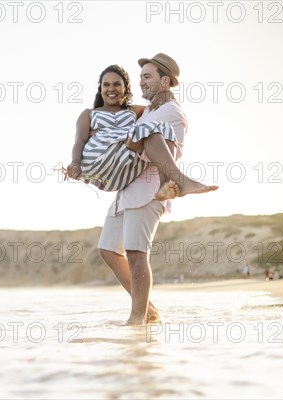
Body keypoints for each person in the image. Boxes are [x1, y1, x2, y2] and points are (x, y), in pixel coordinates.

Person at [95, 53, 211, 325]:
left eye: (147, 77)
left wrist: (135, 144)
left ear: (165, 81)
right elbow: (118, 111)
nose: (142, 82)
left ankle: (136, 319)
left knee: (136, 255)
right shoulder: (149, 109)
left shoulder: (172, 111)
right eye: (140, 78)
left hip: (149, 193)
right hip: (127, 191)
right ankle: (148, 310)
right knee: (108, 249)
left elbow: (169, 149)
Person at [67, 65, 217, 200]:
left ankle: (164, 184)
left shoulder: (133, 111)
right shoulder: (89, 113)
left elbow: (153, 106)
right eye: (106, 85)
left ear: (125, 88)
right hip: (97, 164)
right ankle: (181, 180)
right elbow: (79, 140)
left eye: (117, 84)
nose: (111, 88)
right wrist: (75, 163)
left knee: (163, 128)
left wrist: (168, 95)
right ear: (100, 89)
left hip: (121, 170)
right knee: (147, 129)